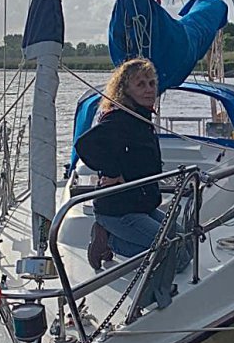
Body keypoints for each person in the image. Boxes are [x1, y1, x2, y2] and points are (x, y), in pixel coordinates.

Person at [74, 59, 186, 309]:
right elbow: (85, 145)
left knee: (184, 242)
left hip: (140, 204)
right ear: (125, 90)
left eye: (152, 83)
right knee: (169, 250)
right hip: (119, 210)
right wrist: (113, 172)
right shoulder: (120, 119)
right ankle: (108, 240)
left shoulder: (141, 117)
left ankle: (111, 237)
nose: (149, 89)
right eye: (140, 84)